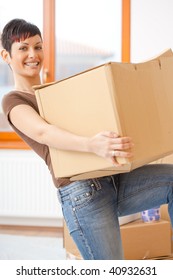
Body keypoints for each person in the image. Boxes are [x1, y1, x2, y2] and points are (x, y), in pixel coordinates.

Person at [1, 18, 173, 260]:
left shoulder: (56, 92)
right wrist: (93, 144)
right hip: (83, 193)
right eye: (23, 48)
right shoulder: (13, 101)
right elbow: (43, 132)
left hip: (114, 178)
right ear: (6, 56)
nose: (33, 54)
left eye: (38, 46)